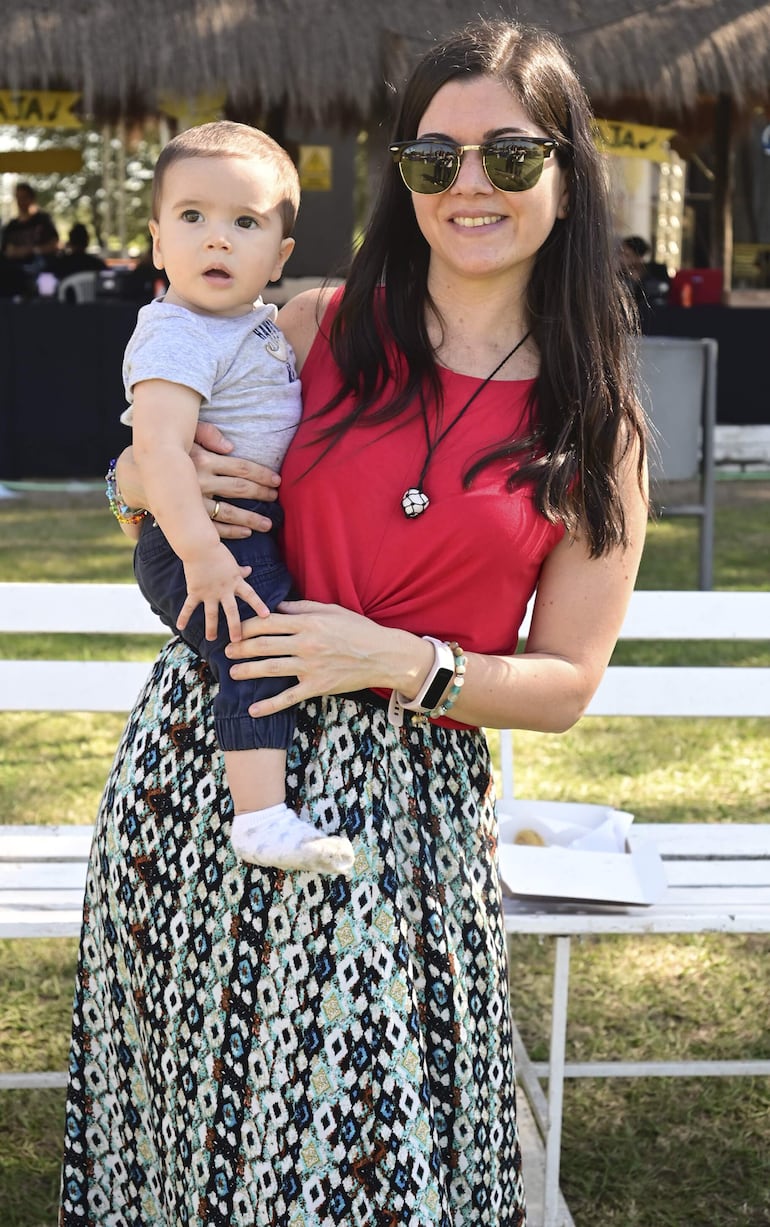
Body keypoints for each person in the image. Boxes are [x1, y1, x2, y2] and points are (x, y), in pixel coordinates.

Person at [60, 18, 648, 1226]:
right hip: (208, 780)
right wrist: (127, 484)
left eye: (508, 156)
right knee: (205, 1146)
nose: (467, 186)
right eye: (432, 160)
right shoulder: (309, 329)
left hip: (407, 812)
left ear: (568, 172)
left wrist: (400, 663)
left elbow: (565, 684)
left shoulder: (596, 426)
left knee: (367, 1168)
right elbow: (156, 459)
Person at [121, 121, 353, 874]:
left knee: (262, 648)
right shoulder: (176, 332)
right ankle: (258, 819)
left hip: (236, 534)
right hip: (202, 544)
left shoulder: (254, 326)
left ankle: (266, 806)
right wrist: (203, 558)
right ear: (157, 242)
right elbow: (157, 451)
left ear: (280, 255)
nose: (216, 240)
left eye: (244, 222)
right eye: (192, 217)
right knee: (256, 653)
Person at [0, 181, 59, 266]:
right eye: (18, 198)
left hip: (43, 269)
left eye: (24, 197)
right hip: (16, 271)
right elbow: (6, 250)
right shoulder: (11, 226)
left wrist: (31, 250)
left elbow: (54, 244)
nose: (21, 202)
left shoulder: (43, 220)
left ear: (32, 198)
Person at [618, 233, 670, 313]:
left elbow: (664, 292)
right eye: (620, 254)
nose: (621, 259)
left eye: (627, 255)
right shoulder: (619, 277)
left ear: (639, 257)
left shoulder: (657, 271)